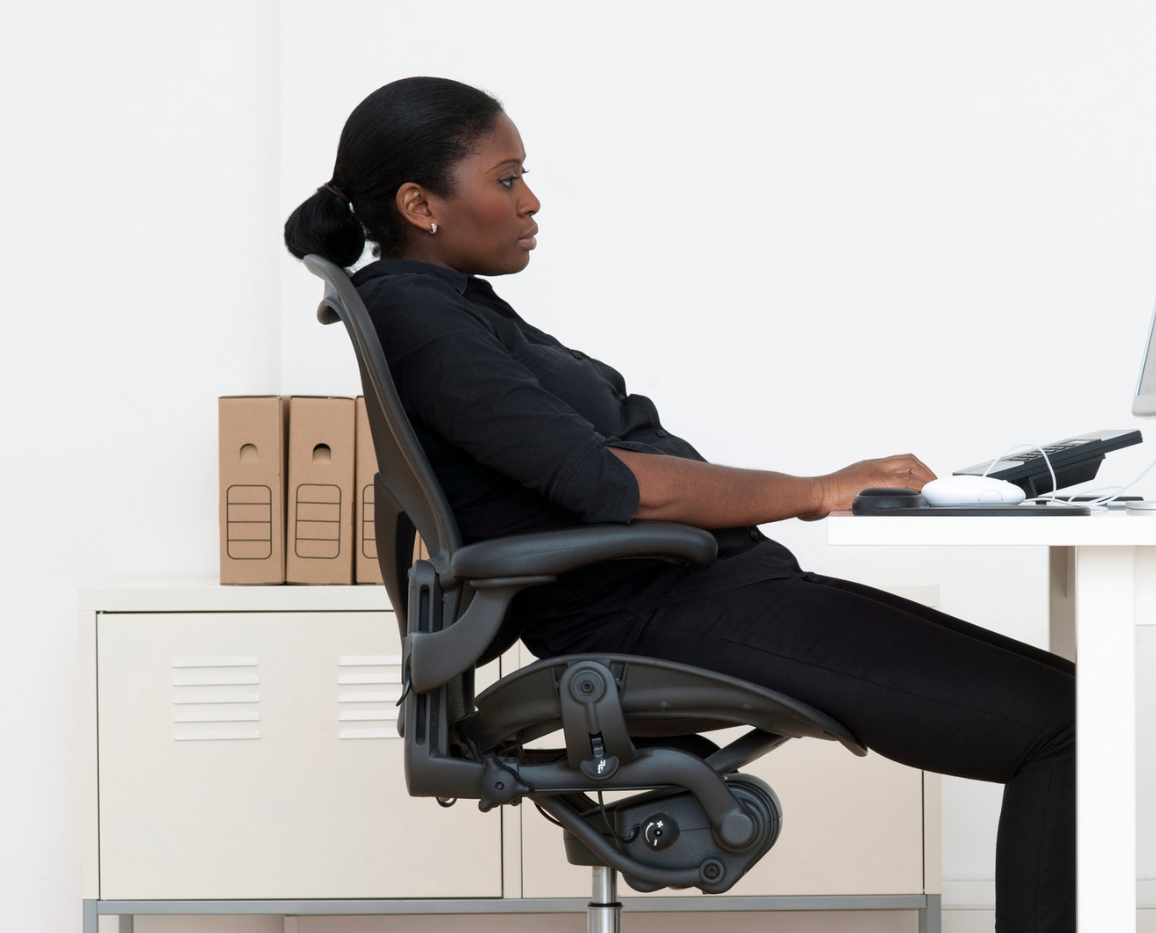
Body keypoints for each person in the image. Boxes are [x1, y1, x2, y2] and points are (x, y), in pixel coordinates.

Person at [283, 76, 1074, 932]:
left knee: (1074, 709)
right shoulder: (419, 317)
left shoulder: (457, 307)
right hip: (661, 614)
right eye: (507, 178)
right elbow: (610, 485)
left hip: (706, 598)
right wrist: (818, 491)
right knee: (1065, 729)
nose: (531, 199)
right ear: (419, 203)